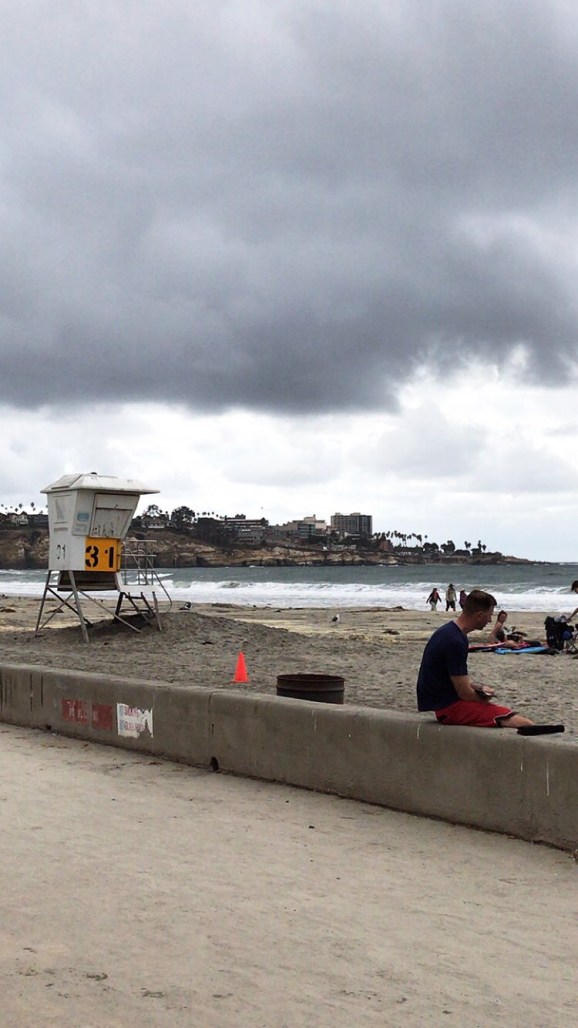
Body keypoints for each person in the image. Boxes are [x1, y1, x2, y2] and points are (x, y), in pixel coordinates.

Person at [416, 589, 534, 728]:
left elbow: (453, 678)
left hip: (441, 702)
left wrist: (479, 688)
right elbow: (464, 693)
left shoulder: (449, 632)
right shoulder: (455, 640)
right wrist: (487, 703)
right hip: (449, 707)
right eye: (489, 615)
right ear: (479, 615)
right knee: (525, 723)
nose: (490, 620)